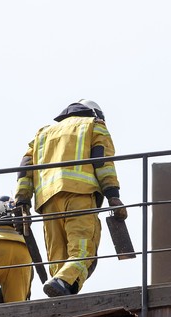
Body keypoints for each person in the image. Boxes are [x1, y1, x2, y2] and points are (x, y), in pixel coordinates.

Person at [15, 99, 126, 298]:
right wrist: (113, 196)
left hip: (47, 202)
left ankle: (62, 293)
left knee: (58, 258)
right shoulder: (94, 125)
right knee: (84, 252)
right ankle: (62, 283)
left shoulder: (42, 134)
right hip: (79, 194)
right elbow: (102, 162)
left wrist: (22, 201)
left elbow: (25, 168)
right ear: (96, 114)